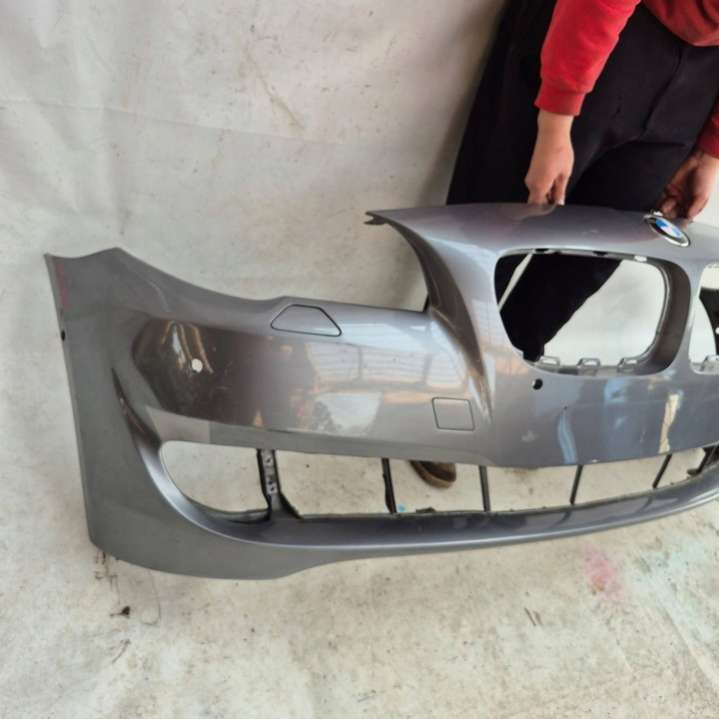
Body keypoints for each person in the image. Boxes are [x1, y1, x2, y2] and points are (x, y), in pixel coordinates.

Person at [411, 0, 719, 489]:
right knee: (495, 225)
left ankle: (502, 387)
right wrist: (556, 117)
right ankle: (433, 387)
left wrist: (710, 149)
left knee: (591, 256)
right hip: (598, 28)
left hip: (702, 75)